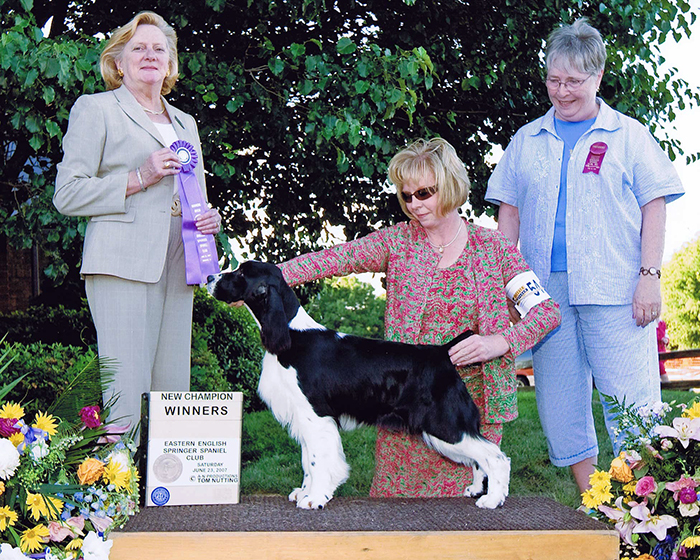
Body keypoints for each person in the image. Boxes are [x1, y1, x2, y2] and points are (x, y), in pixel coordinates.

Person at [280, 138, 561, 497]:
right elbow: (334, 259)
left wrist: (500, 342)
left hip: (472, 407)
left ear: (451, 186)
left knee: (470, 522)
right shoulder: (396, 241)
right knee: (398, 518)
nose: (414, 204)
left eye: (425, 193)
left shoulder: (494, 248)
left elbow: (546, 312)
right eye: (407, 196)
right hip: (403, 405)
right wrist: (263, 280)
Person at [485, 18, 684, 493]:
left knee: (633, 405)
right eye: (553, 80)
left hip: (615, 287)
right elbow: (508, 213)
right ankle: (594, 502)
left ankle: (644, 510)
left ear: (598, 76)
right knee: (560, 404)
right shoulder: (526, 139)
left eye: (573, 81)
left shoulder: (628, 135)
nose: (561, 91)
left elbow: (654, 205)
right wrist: (504, 285)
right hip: (543, 296)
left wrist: (650, 276)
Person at [54, 11, 222, 427]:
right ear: (118, 62)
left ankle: (167, 469)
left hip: (180, 265)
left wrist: (207, 220)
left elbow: (193, 195)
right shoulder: (96, 109)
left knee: (173, 389)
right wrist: (139, 177)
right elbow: (67, 194)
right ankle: (118, 468)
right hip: (120, 264)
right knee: (125, 388)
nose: (150, 55)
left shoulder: (185, 122)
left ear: (170, 63)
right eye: (138, 48)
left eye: (159, 49)